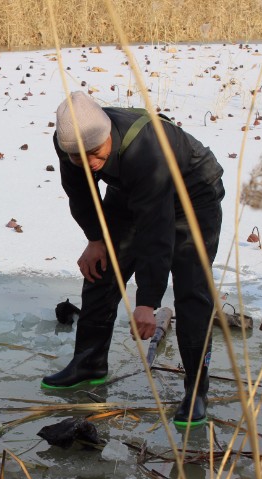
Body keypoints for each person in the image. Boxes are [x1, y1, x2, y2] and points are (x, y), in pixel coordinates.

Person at [42, 92, 224, 427]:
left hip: (193, 192)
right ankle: (89, 362)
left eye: (96, 153)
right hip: (130, 189)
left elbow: (156, 230)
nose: (89, 162)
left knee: (191, 287)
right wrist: (96, 239)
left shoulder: (145, 151)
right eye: (78, 157)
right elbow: (80, 191)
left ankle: (196, 390)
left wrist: (147, 302)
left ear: (108, 135)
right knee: (102, 269)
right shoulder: (67, 140)